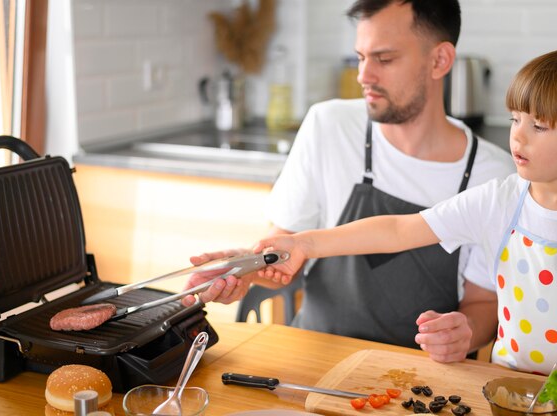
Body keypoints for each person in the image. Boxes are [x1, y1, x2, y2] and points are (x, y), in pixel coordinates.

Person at [183, 0, 515, 362]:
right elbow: (286, 256)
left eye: (384, 60)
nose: (364, 76)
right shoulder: (328, 126)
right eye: (361, 57)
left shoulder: (492, 175)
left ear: (440, 60)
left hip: (419, 380)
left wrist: (464, 333)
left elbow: (484, 303)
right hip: (314, 360)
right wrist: (245, 269)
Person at [254, 46, 557, 375]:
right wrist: (305, 244)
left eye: (539, 126)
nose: (518, 137)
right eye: (515, 120)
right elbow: (398, 230)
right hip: (510, 390)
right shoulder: (497, 201)